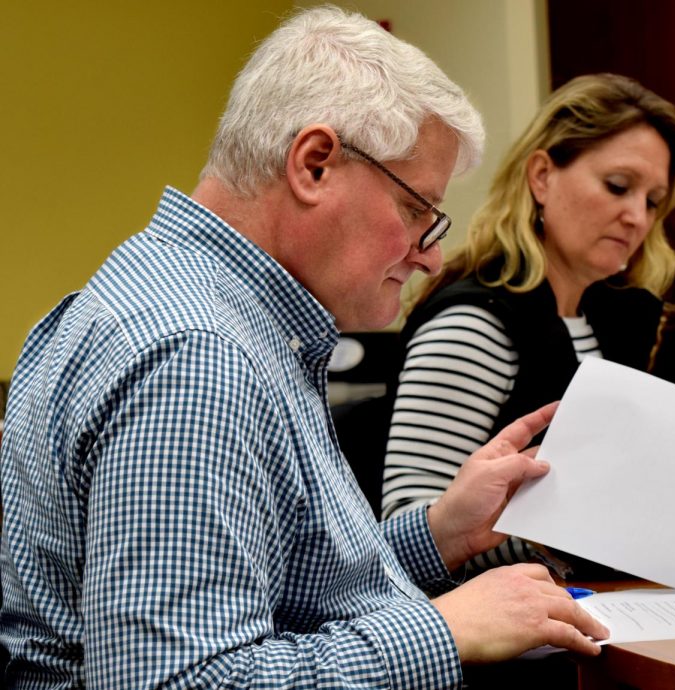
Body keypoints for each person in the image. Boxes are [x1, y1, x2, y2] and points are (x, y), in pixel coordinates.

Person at [0, 7, 608, 688]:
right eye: (416, 211)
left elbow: (279, 589)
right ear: (314, 164)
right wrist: (443, 629)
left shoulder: (195, 305)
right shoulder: (197, 358)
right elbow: (176, 680)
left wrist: (438, 533)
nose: (431, 259)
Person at [382, 73, 675, 569]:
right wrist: (556, 545)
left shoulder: (614, 322)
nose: (637, 217)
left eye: (652, 201)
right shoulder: (475, 326)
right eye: (618, 186)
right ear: (542, 177)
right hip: (491, 624)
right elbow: (410, 531)